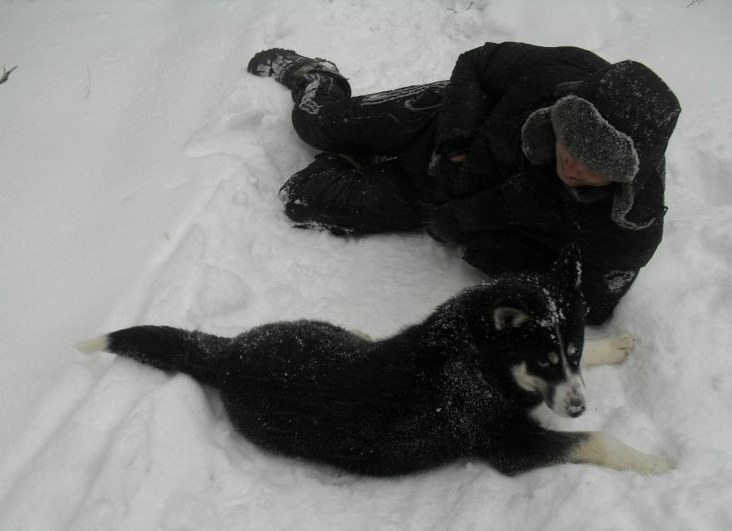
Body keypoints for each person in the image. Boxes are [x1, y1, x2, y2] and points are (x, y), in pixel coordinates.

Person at [246, 43, 681, 324]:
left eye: (594, 165)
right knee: (316, 122)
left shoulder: (629, 228)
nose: (572, 164)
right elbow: (477, 62)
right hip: (444, 122)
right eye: (568, 142)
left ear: (627, 174)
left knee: (300, 200)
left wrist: (485, 240)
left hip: (441, 203)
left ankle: (353, 155)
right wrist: (456, 134)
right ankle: (316, 76)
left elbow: (592, 302)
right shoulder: (561, 72)